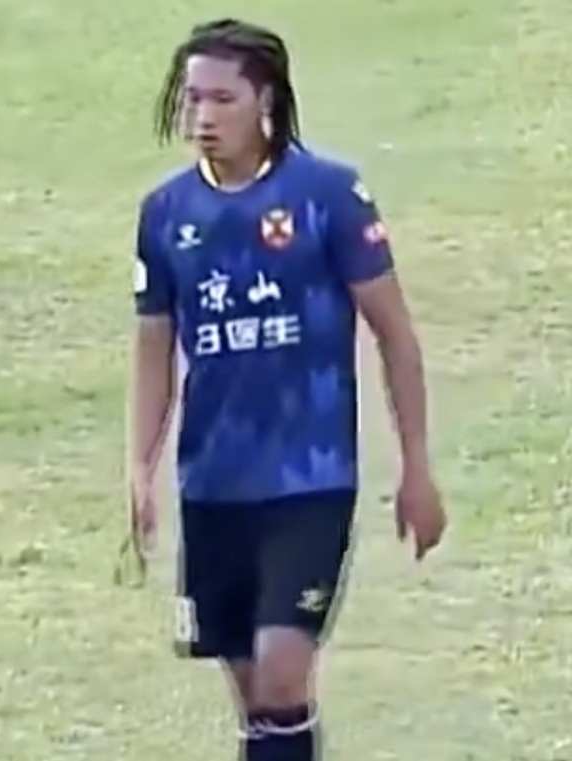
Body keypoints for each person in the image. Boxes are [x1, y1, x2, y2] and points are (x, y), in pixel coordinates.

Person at [129, 18, 447, 761]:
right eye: (193, 99)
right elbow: (154, 349)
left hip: (311, 480)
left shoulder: (327, 195)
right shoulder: (166, 214)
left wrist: (417, 468)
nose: (203, 117)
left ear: (265, 100)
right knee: (258, 701)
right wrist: (139, 466)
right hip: (213, 484)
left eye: (223, 99)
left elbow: (395, 335)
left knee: (280, 672)